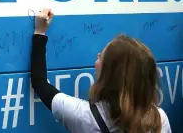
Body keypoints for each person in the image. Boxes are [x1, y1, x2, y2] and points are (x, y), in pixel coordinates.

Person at [30, 9, 172, 133]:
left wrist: (39, 32)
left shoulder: (84, 117)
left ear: (109, 75)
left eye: (101, 56)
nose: (97, 56)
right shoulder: (159, 120)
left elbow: (40, 83)